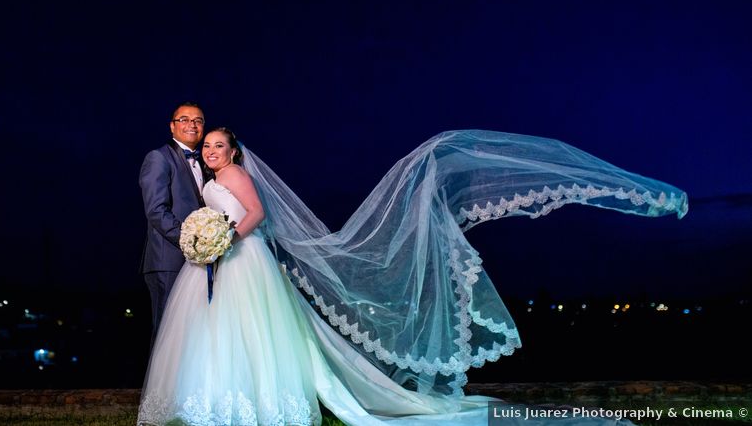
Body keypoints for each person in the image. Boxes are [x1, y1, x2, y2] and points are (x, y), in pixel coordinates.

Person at [138, 128, 689, 426]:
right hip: (215, 265)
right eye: (205, 145)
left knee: (253, 333)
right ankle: (214, 403)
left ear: (231, 150)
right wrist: (201, 239)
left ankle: (249, 404)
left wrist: (225, 238)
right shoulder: (206, 174)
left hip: (241, 259)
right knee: (219, 336)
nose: (211, 151)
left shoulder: (233, 173)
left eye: (217, 144)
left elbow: (254, 215)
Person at [138, 101, 209, 338]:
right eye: (185, 120)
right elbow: (157, 210)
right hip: (168, 260)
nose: (192, 125)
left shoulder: (205, 162)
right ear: (172, 126)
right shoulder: (158, 158)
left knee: (193, 333)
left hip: (198, 263)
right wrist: (192, 243)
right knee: (168, 335)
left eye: (198, 121)